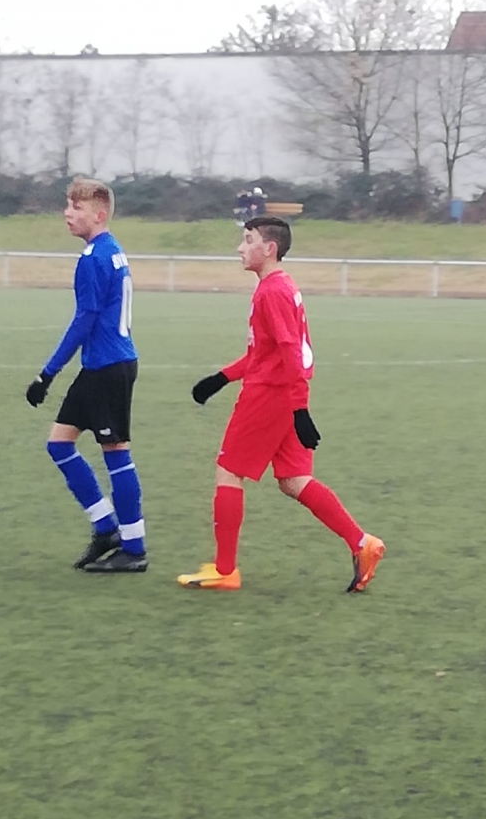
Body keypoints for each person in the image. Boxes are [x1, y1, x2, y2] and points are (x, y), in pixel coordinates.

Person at [178, 215, 384, 593]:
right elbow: (265, 353)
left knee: (228, 472)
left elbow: (289, 351)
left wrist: (299, 409)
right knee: (293, 481)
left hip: (270, 395)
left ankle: (225, 570)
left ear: (269, 248)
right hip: (283, 393)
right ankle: (362, 543)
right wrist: (221, 378)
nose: (240, 248)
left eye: (248, 240)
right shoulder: (280, 286)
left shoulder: (271, 292)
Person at [25, 178, 147, 573]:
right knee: (59, 444)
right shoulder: (111, 250)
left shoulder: (93, 258)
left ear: (99, 214)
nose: (67, 213)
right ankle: (105, 527)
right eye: (67, 205)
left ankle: (134, 548)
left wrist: (47, 373)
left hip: (107, 368)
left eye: (76, 207)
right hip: (102, 366)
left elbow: (84, 321)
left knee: (116, 452)